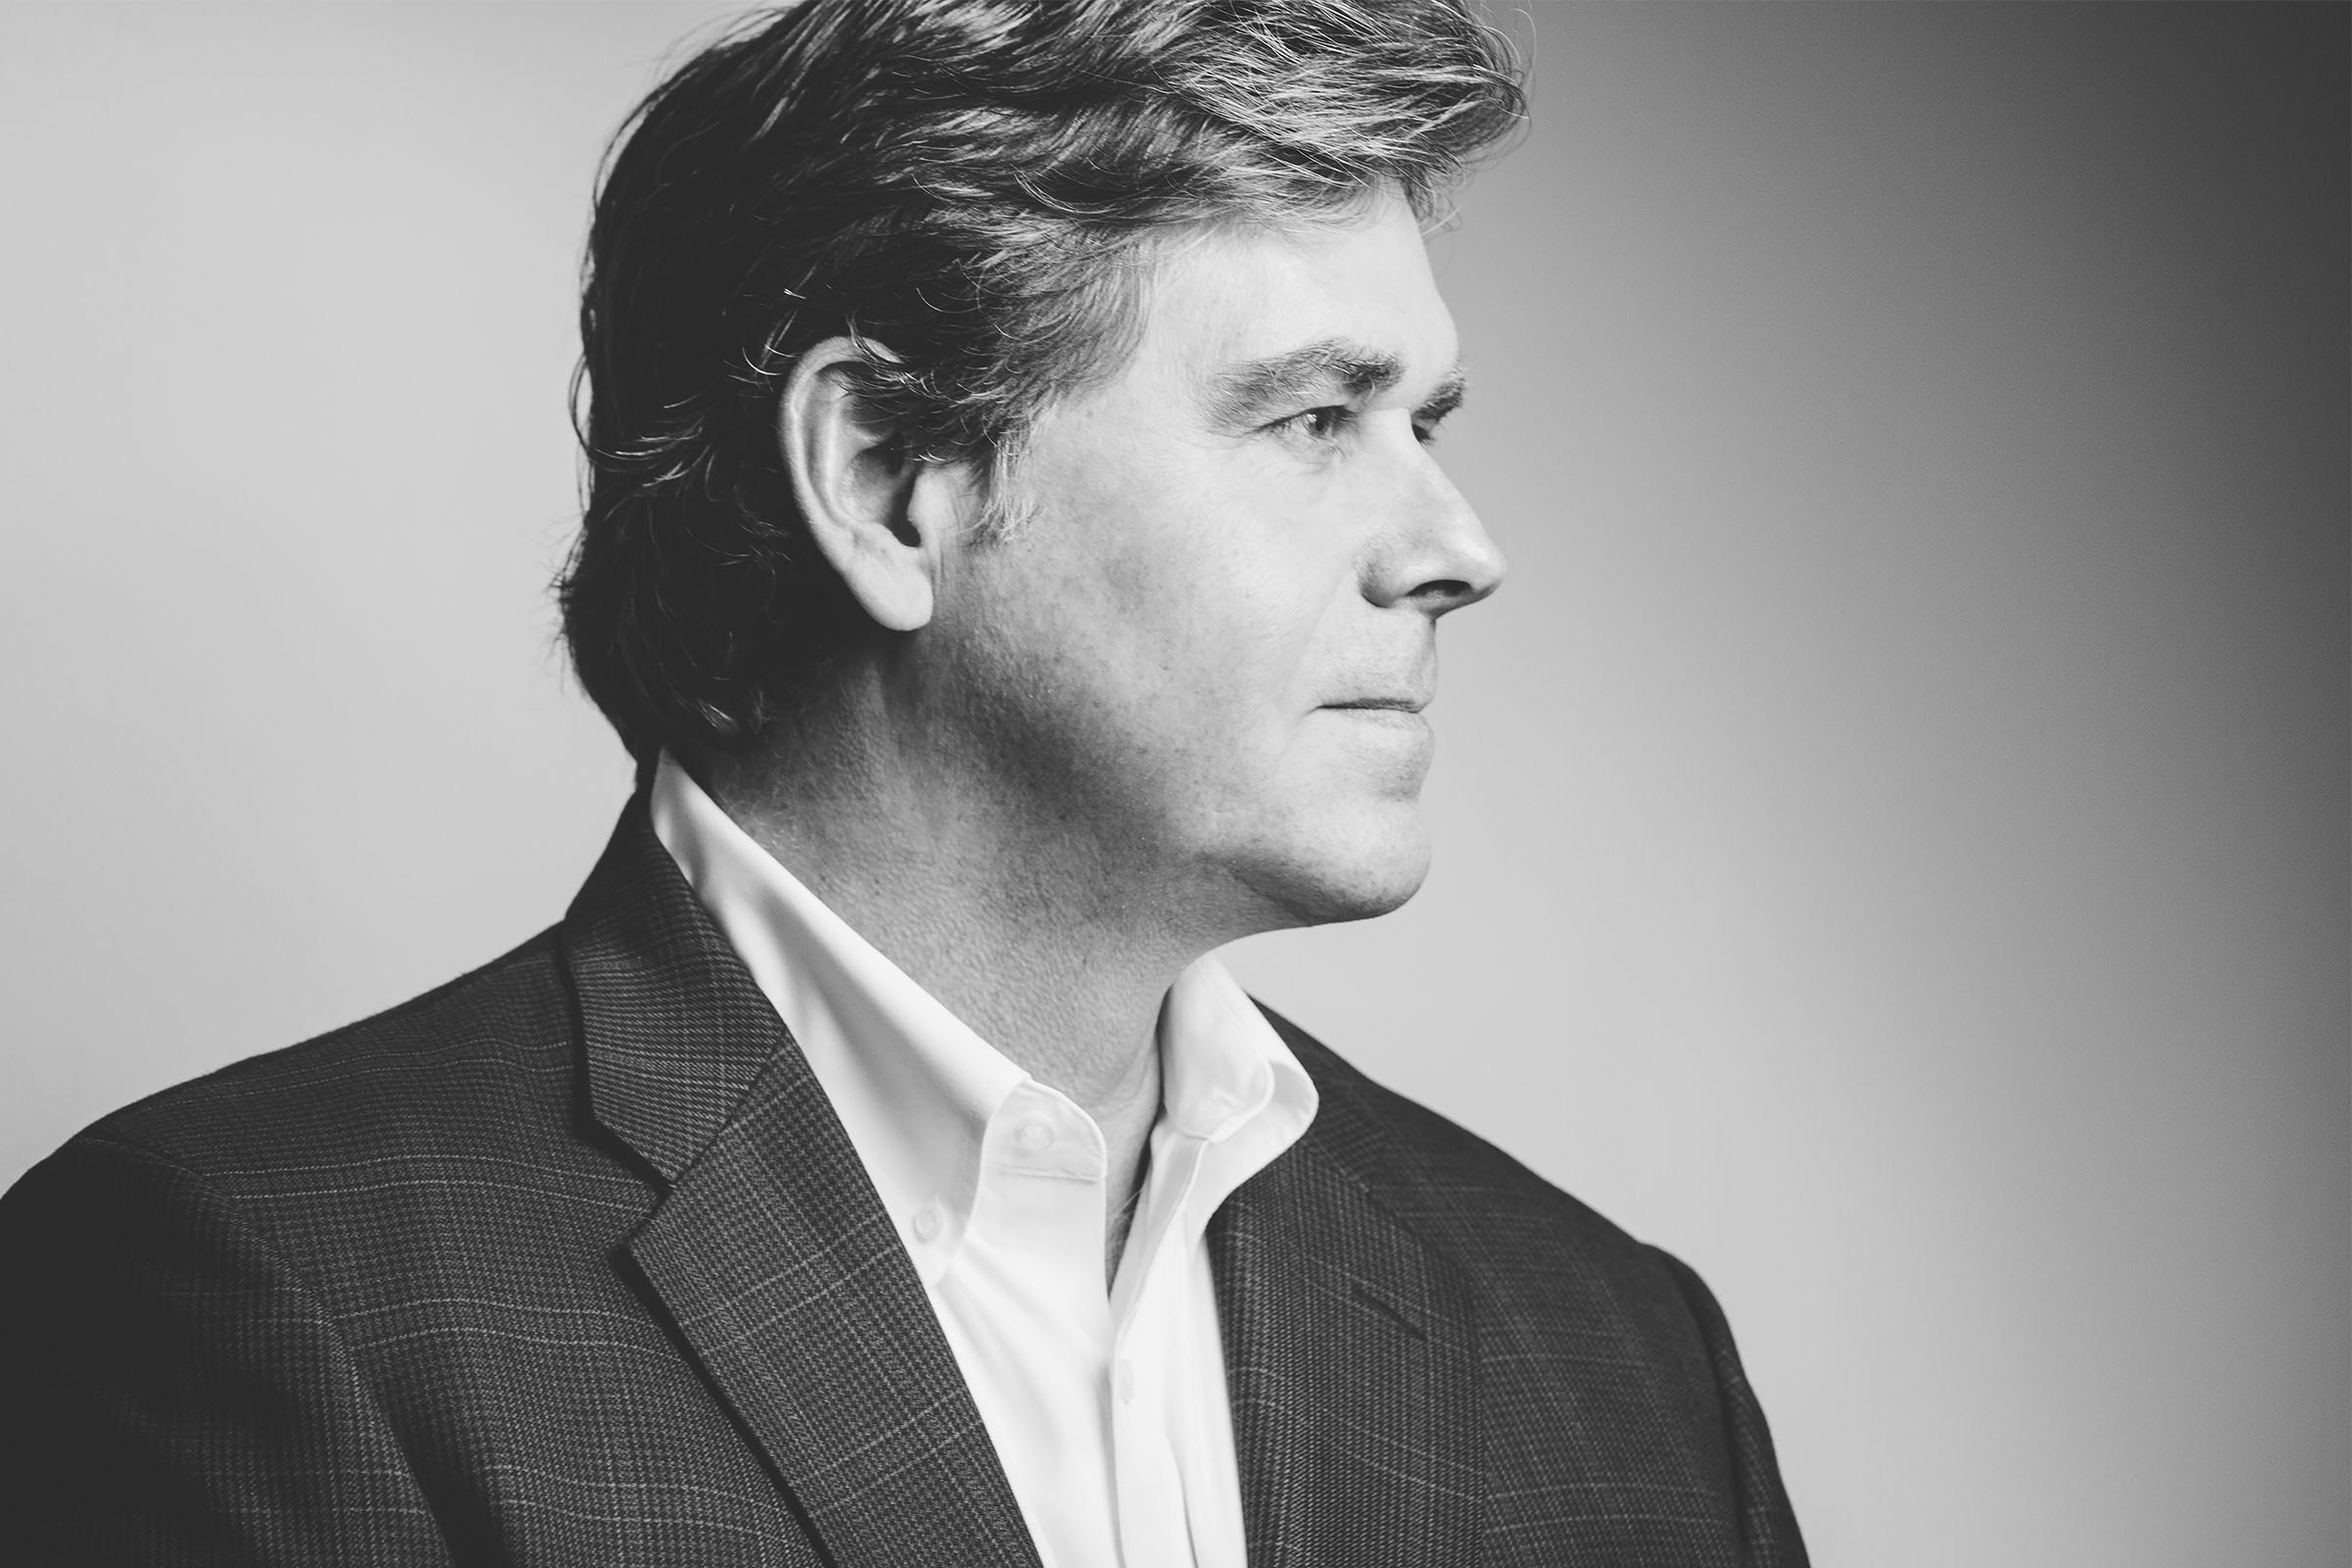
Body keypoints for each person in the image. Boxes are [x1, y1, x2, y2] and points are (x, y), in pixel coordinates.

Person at [0, 2, 1806, 1563]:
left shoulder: (1622, 1359)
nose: (1458, 549)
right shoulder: (247, 1297)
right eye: (1314, 418)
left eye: (1427, 422)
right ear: (883, 479)